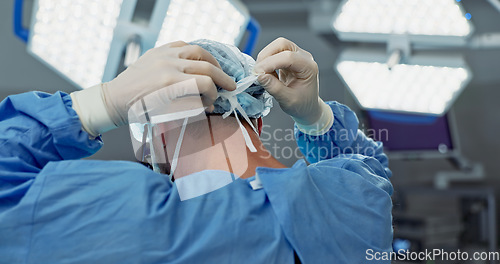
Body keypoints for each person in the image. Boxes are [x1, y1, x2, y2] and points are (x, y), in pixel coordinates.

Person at [0, 37, 393, 263]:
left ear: (159, 126)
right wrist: (316, 118)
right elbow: (369, 165)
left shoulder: (140, 218)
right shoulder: (356, 202)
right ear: (258, 118)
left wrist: (104, 101)